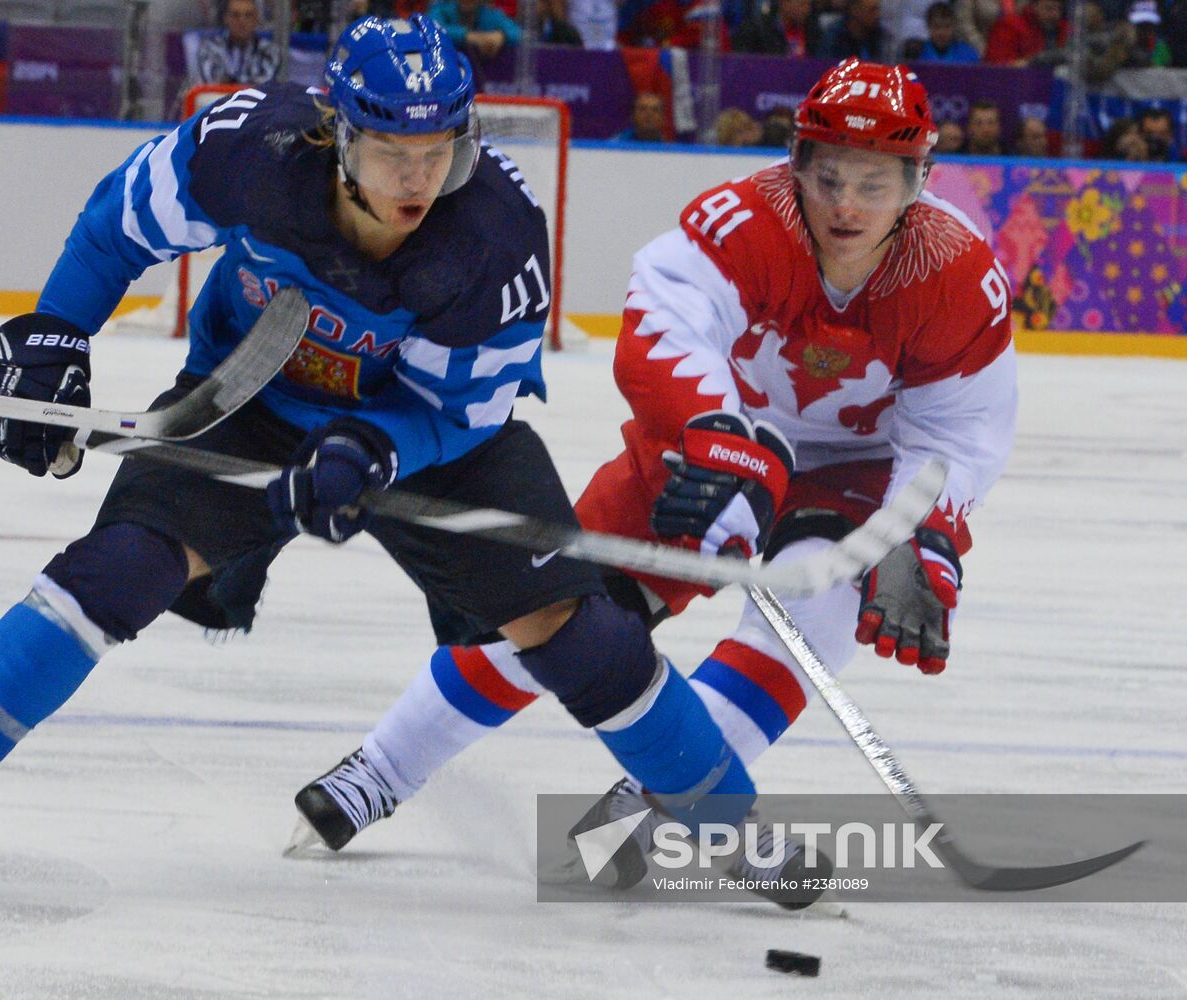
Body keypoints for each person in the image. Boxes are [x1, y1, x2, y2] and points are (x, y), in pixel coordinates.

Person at [0, 15, 768, 893]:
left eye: (436, 151)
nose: (416, 179)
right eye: (389, 152)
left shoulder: (494, 239)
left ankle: (733, 826)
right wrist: (55, 336)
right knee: (123, 566)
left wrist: (374, 446)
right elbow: (115, 227)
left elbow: (465, 411)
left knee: (574, 630)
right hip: (252, 397)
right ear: (336, 132)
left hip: (427, 436)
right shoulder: (247, 147)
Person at [292, 57, 1017, 895]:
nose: (847, 207)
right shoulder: (741, 222)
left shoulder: (958, 275)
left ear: (917, 181)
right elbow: (660, 329)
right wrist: (722, 442)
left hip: (853, 473)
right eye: (828, 178)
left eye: (876, 184)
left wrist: (914, 532)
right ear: (795, 163)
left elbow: (957, 432)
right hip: (706, 448)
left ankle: (655, 806)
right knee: (551, 609)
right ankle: (379, 768)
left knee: (815, 609)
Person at [190, 0, 281, 86]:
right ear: (225, 18)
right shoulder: (210, 48)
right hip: (218, 101)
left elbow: (265, 85)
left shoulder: (269, 50)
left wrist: (230, 81)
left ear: (256, 19)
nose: (242, 21)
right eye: (235, 15)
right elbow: (212, 82)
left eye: (248, 15)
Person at [428, 0, 520, 63]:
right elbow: (431, 28)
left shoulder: (489, 13)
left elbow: (519, 33)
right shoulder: (442, 8)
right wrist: (468, 36)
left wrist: (501, 36)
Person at [984, 0, 1068, 66]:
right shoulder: (1010, 27)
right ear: (1034, 7)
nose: (1055, 14)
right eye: (1048, 8)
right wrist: (1033, 63)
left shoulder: (1065, 29)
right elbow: (997, 65)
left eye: (1059, 9)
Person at [730, 0, 824, 57]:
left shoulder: (813, 30)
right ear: (784, 2)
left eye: (808, 5)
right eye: (802, 4)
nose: (807, 10)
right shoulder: (758, 30)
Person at [818, 0, 891, 61]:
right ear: (855, 10)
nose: (878, 15)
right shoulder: (834, 38)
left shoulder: (881, 36)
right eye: (872, 10)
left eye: (878, 9)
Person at [911, 1, 980, 61]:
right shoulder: (918, 54)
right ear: (929, 27)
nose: (942, 32)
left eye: (947, 27)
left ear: (954, 27)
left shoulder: (969, 54)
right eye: (937, 27)